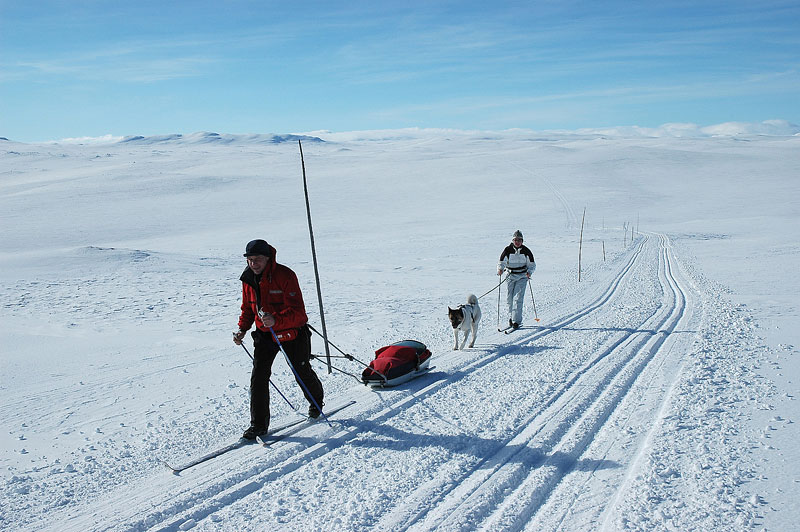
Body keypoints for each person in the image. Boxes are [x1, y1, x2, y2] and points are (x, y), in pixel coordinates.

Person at [232, 239, 324, 440]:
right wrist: (242, 329)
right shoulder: (248, 279)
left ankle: (316, 402)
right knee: (259, 377)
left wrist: (276, 319)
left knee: (301, 370)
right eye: (250, 260)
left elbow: (299, 313)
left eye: (257, 260)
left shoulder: (285, 275)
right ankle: (258, 425)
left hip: (293, 332)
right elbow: (248, 308)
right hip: (264, 335)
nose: (253, 264)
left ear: (268, 258)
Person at [497, 230, 536, 329]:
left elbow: (532, 264)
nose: (517, 242)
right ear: (513, 240)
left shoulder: (526, 251)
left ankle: (516, 321)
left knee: (518, 298)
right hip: (510, 276)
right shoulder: (507, 250)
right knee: (510, 299)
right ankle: (511, 318)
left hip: (522, 276)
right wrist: (500, 269)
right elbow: (502, 262)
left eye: (519, 240)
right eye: (515, 240)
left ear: (522, 241)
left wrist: (529, 272)